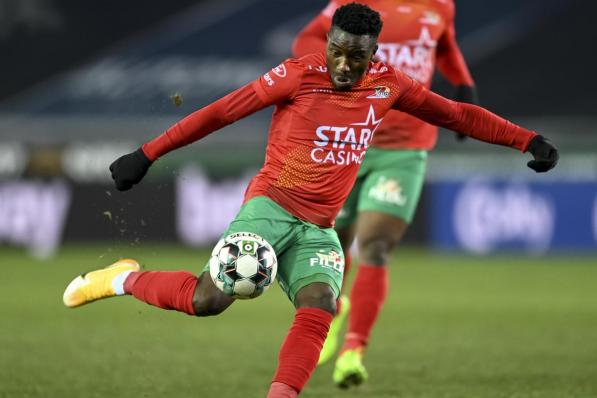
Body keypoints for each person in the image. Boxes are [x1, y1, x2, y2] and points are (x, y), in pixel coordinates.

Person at [62, 3, 558, 397]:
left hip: (318, 227)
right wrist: (147, 154)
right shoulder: (297, 75)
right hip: (271, 206)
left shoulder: (390, 85)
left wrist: (527, 140)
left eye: (356, 56)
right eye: (338, 50)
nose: (344, 64)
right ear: (329, 42)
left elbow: (457, 115)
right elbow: (220, 113)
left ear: (374, 53)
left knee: (320, 303)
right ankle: (120, 279)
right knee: (209, 299)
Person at [292, 0, 479, 387]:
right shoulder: (355, 4)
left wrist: (462, 84)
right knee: (333, 243)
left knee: (374, 245)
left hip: (405, 149)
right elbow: (308, 37)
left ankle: (353, 351)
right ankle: (330, 313)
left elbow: (444, 45)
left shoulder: (440, 5)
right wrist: (329, 71)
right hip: (349, 139)